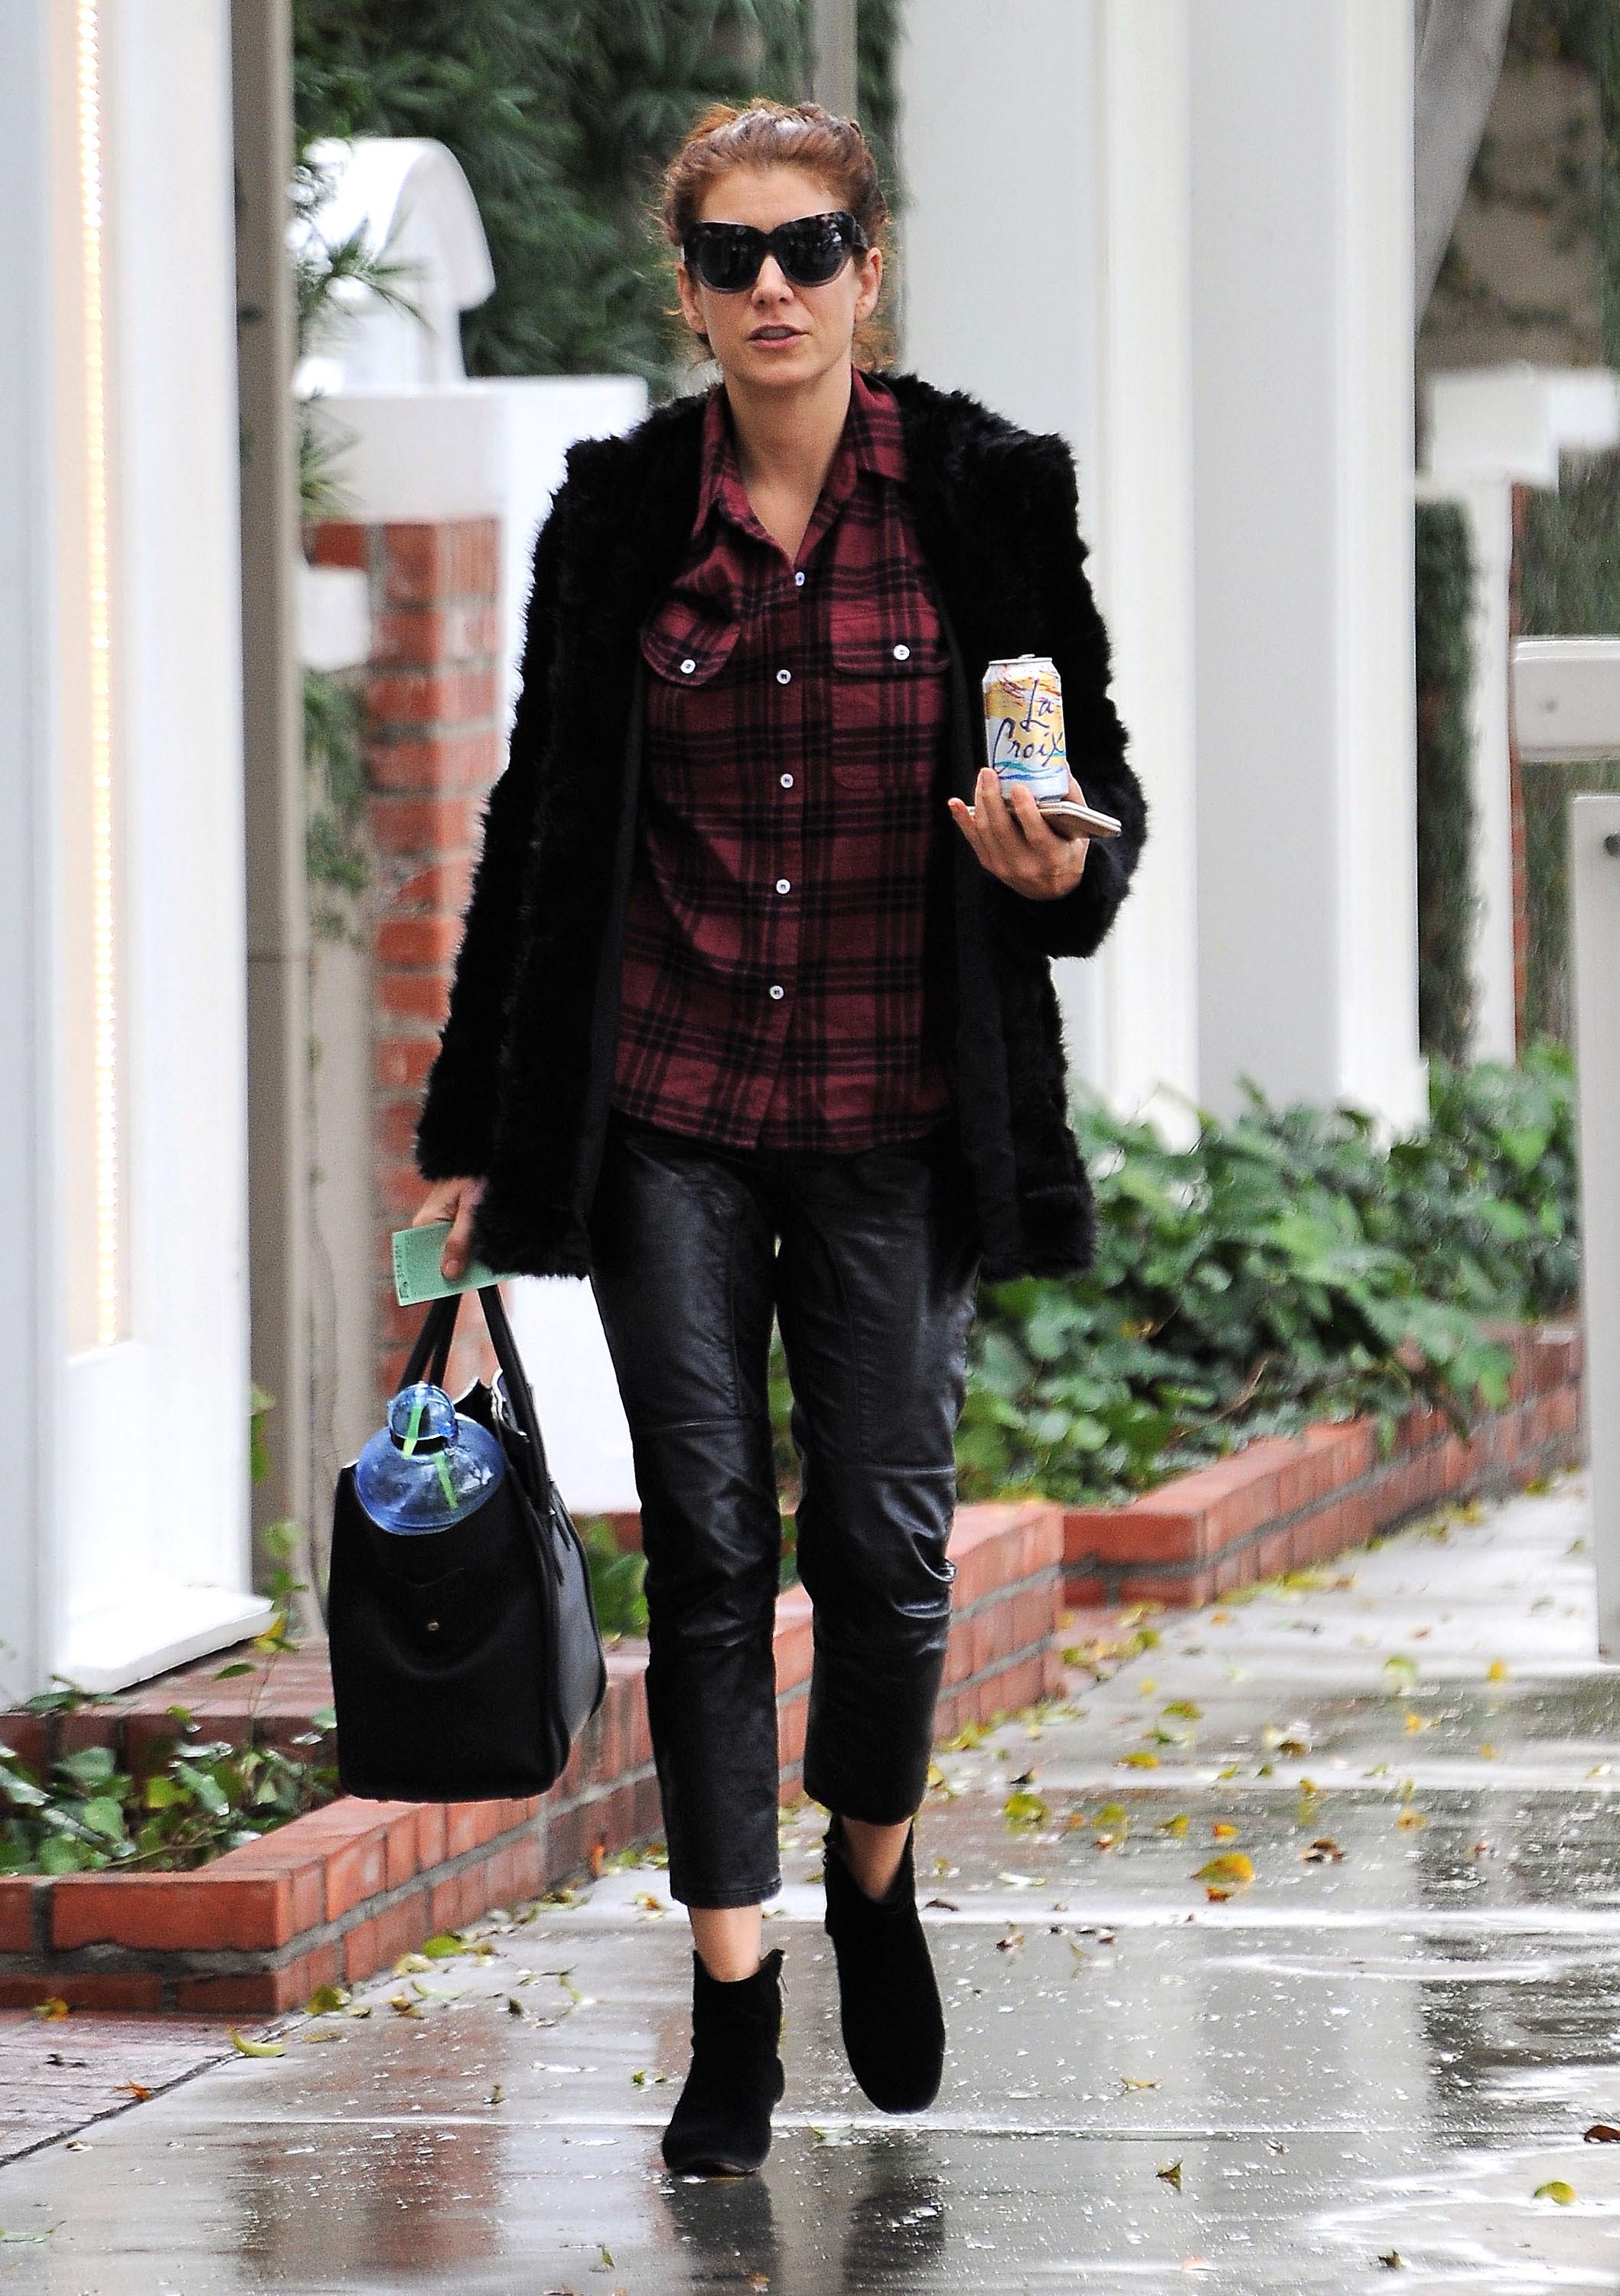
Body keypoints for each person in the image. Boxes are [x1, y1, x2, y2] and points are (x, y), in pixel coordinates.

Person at [411, 97, 1146, 2177]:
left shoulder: (988, 497)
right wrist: (476, 1129)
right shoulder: (621, 513)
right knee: (712, 1545)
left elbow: (1096, 802)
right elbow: (541, 824)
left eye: (808, 247)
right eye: (732, 255)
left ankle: (873, 1875)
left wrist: (1060, 868)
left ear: (866, 268)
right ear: (689, 287)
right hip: (673, 1109)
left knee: (887, 1557)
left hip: (900, 1109)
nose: (772, 287)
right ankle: (732, 1993)